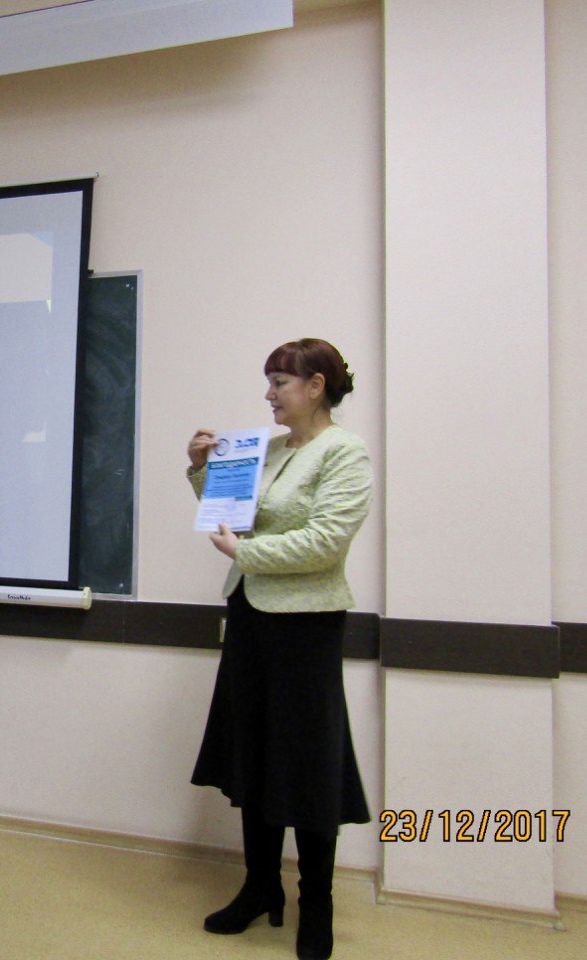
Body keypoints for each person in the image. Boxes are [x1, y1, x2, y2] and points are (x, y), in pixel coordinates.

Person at [185, 338, 372, 960]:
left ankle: (317, 902)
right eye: (268, 382)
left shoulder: (344, 452)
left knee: (308, 764)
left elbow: (326, 542)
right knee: (254, 754)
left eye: (280, 383)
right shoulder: (263, 449)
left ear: (316, 387)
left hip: (306, 627)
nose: (269, 394)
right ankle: (260, 886)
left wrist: (247, 553)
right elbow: (229, 516)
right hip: (249, 616)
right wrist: (202, 470)